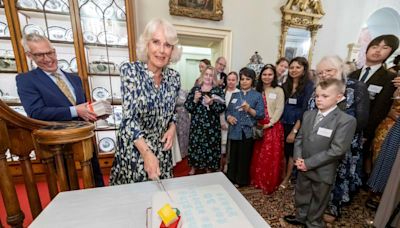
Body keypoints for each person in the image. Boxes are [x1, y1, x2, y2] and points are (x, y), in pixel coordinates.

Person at [16, 33, 104, 187]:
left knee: (95, 180)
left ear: (54, 51)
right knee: (68, 187)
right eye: (40, 55)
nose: (48, 58)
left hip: (85, 138)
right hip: (58, 144)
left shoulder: (75, 78)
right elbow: (36, 112)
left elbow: (81, 107)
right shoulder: (26, 80)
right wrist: (75, 111)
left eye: (50, 52)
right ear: (29, 56)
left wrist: (94, 112)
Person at [109, 18, 182, 184]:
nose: (162, 50)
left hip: (161, 150)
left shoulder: (174, 78)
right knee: (135, 201)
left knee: (161, 201)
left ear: (172, 50)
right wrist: (146, 153)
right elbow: (129, 119)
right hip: (135, 148)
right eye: (156, 42)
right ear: (146, 45)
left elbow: (174, 111)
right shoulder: (131, 71)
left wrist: (172, 127)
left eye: (168, 45)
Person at [284, 78, 357, 228]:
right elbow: (300, 139)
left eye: (325, 96)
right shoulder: (308, 115)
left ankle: (314, 223)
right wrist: (298, 159)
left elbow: (337, 149)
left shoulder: (346, 120)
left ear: (338, 97)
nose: (319, 99)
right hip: (302, 164)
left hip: (323, 169)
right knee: (302, 193)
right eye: (317, 96)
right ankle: (301, 217)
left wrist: (308, 163)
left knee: (319, 199)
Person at [308, 56, 370, 222]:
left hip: (343, 143)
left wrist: (336, 134)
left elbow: (361, 119)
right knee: (317, 173)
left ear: (341, 69)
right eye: (321, 72)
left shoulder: (356, 87)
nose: (325, 75)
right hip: (319, 141)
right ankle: (313, 204)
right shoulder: (317, 87)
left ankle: (333, 207)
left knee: (338, 175)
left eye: (329, 70)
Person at [347, 34, 399, 177]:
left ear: (390, 52)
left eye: (384, 47)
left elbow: (380, 109)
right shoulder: (352, 74)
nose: (377, 50)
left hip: (367, 129)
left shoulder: (390, 79)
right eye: (375, 46)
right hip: (346, 125)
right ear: (367, 49)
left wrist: (367, 134)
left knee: (358, 165)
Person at [226, 67, 264, 187]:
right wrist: (229, 118)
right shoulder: (235, 95)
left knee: (244, 158)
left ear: (252, 80)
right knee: (233, 156)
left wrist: (249, 109)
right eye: (242, 79)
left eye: (247, 79)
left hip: (247, 132)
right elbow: (228, 111)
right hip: (234, 130)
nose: (244, 81)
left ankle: (241, 181)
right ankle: (231, 178)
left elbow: (260, 114)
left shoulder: (257, 96)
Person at [280, 57, 314, 189]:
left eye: (298, 67)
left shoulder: (309, 87)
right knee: (283, 151)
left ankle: (287, 178)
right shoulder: (285, 85)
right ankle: (282, 175)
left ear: (304, 70)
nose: (294, 70)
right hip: (283, 122)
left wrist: (294, 131)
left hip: (297, 124)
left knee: (291, 153)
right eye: (292, 67)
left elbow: (305, 110)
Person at [250, 64, 284, 194]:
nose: (267, 77)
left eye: (270, 74)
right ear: (260, 76)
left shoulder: (278, 90)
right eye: (264, 74)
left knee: (269, 157)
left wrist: (270, 124)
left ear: (274, 76)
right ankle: (258, 181)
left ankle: (268, 183)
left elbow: (279, 109)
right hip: (258, 126)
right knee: (258, 156)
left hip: (272, 127)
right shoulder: (256, 90)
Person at [185, 66, 226, 174]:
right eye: (206, 74)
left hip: (212, 126)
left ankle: (209, 167)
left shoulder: (218, 90)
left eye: (211, 75)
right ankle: (194, 167)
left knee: (210, 146)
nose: (208, 77)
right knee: (195, 145)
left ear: (214, 77)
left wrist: (212, 103)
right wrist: (194, 100)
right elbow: (188, 107)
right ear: (203, 75)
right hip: (197, 125)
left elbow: (222, 108)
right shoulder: (195, 89)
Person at [220, 71, 240, 172]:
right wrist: (222, 122)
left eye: (233, 80)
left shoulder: (239, 93)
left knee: (230, 147)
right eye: (229, 80)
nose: (231, 82)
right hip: (222, 123)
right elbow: (220, 109)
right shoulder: (222, 92)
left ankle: (228, 167)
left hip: (234, 124)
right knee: (222, 147)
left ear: (237, 81)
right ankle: (220, 166)